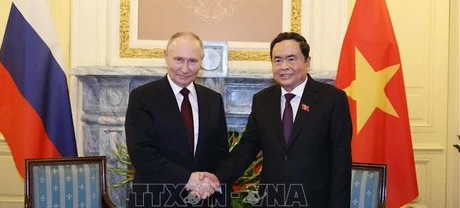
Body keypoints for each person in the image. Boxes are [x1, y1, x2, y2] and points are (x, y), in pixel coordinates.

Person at [202, 32, 352, 207]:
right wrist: (217, 178)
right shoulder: (263, 100)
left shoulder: (332, 99)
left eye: (291, 59)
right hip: (272, 200)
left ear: (307, 62)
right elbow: (247, 147)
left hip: (315, 200)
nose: (284, 66)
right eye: (278, 60)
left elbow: (341, 161)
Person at [125, 32, 229, 207]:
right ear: (166, 56)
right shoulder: (143, 97)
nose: (185, 68)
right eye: (179, 59)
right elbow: (141, 153)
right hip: (154, 200)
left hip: (198, 200)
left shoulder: (213, 100)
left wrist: (212, 183)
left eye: (193, 61)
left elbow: (220, 153)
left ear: (202, 60)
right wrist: (187, 179)